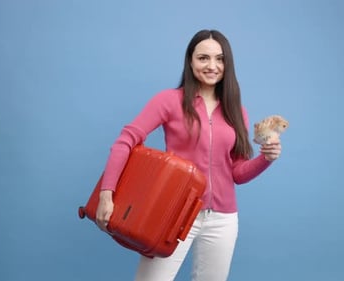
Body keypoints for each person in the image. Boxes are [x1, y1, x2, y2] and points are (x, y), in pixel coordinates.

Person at [95, 29, 282, 281]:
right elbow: (125, 141)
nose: (212, 65)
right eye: (203, 58)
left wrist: (265, 159)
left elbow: (236, 173)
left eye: (220, 58)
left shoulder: (236, 110)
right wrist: (107, 194)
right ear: (190, 61)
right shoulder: (169, 101)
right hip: (173, 213)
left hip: (222, 219)